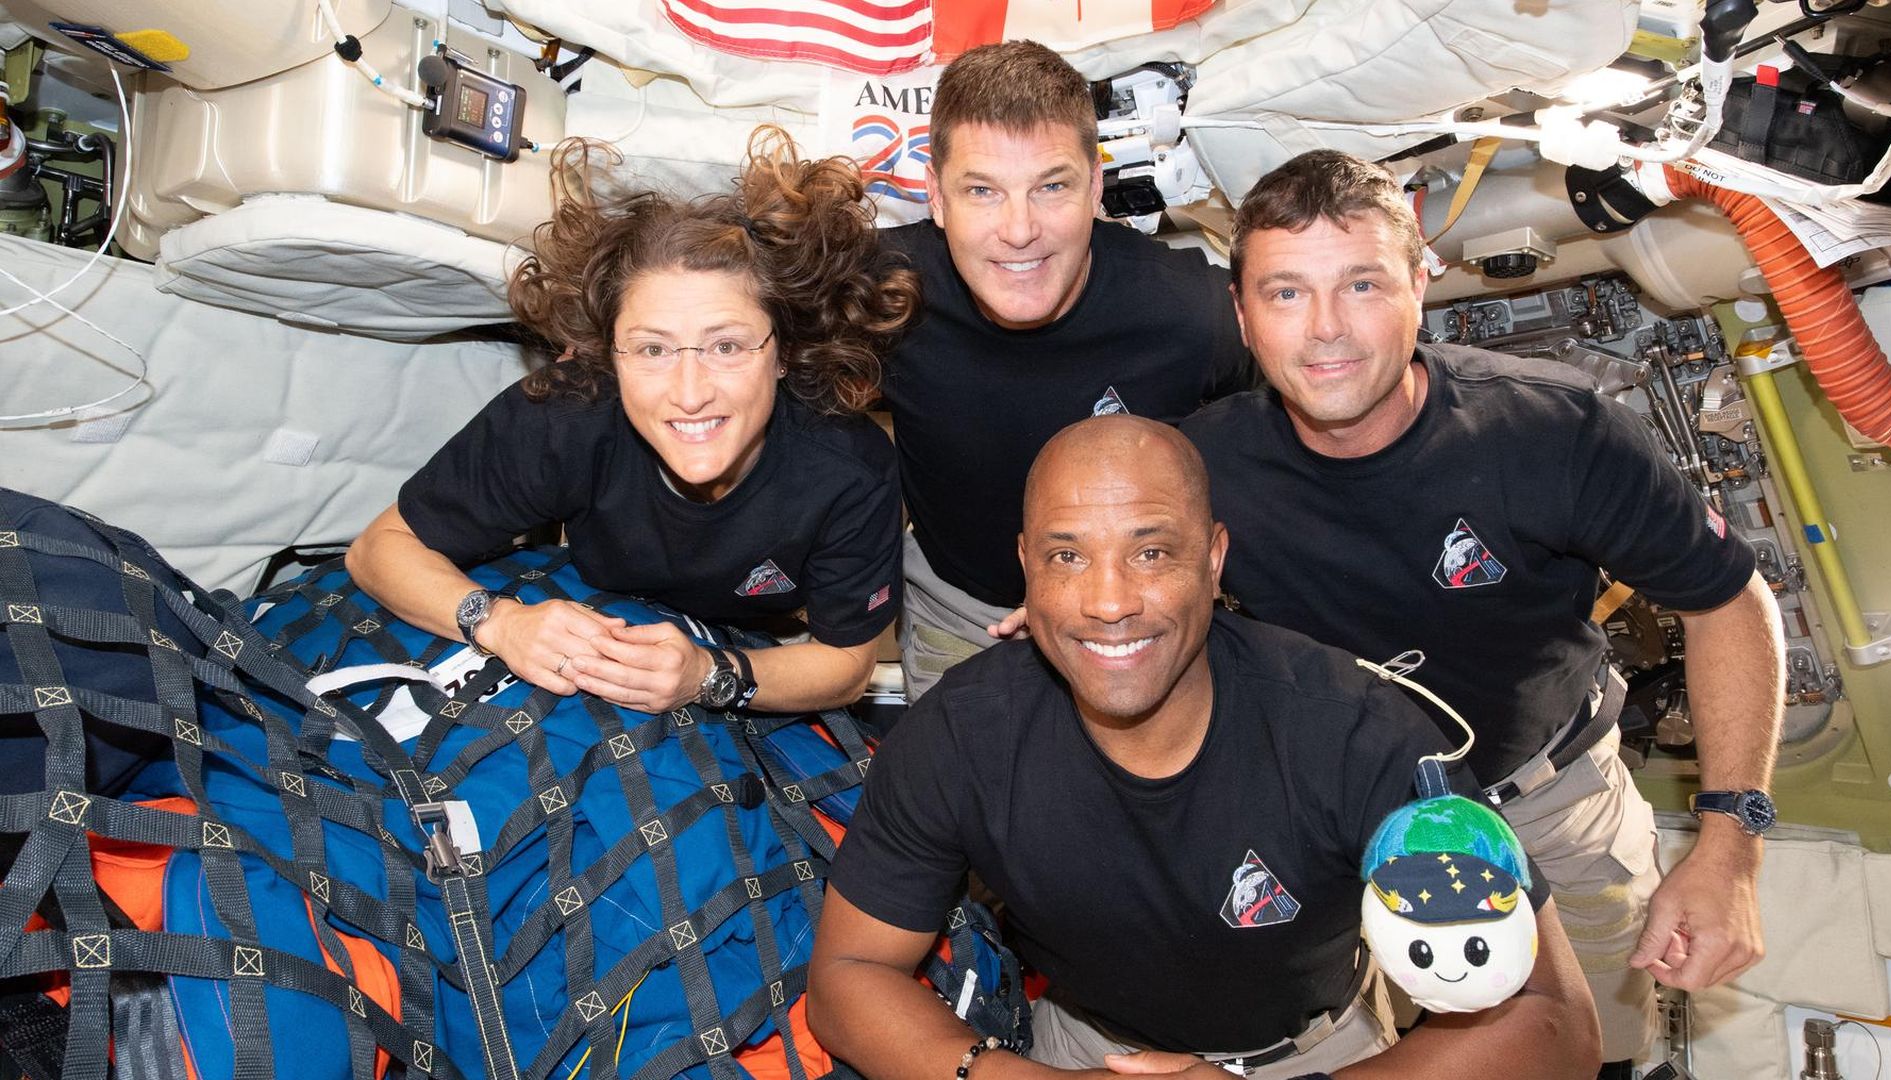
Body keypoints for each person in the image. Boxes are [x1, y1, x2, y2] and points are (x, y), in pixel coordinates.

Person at [1179, 150, 1786, 1076]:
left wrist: (1729, 845)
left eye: (1364, 283)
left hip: (1549, 799)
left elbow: (1729, 600)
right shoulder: (1197, 468)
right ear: (1242, 315)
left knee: (1597, 1052)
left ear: (1423, 284)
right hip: (1335, 818)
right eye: (1286, 293)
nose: (1327, 330)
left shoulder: (1553, 432)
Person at [810, 416, 1601, 1080]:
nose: (1109, 601)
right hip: (1082, 1052)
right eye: (1067, 556)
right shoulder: (960, 734)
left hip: (1320, 1058)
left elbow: (1553, 1021)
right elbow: (848, 979)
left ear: (1214, 559)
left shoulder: (1355, 733)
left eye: (1151, 553)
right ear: (1026, 568)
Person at [344, 128, 917, 715]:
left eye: (726, 347)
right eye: (652, 350)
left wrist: (709, 675)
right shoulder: (566, 414)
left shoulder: (850, 468)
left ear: (785, 353)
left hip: (762, 649)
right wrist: (498, 623)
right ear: (608, 356)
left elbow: (846, 666)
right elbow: (378, 549)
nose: (690, 394)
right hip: (587, 614)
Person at [880, 40, 1253, 700]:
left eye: (1051, 186)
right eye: (982, 191)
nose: (1019, 230)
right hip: (961, 612)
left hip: (1135, 616)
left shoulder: (1188, 312)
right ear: (936, 198)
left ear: (1096, 188)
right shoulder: (881, 294)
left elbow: (1293, 438)